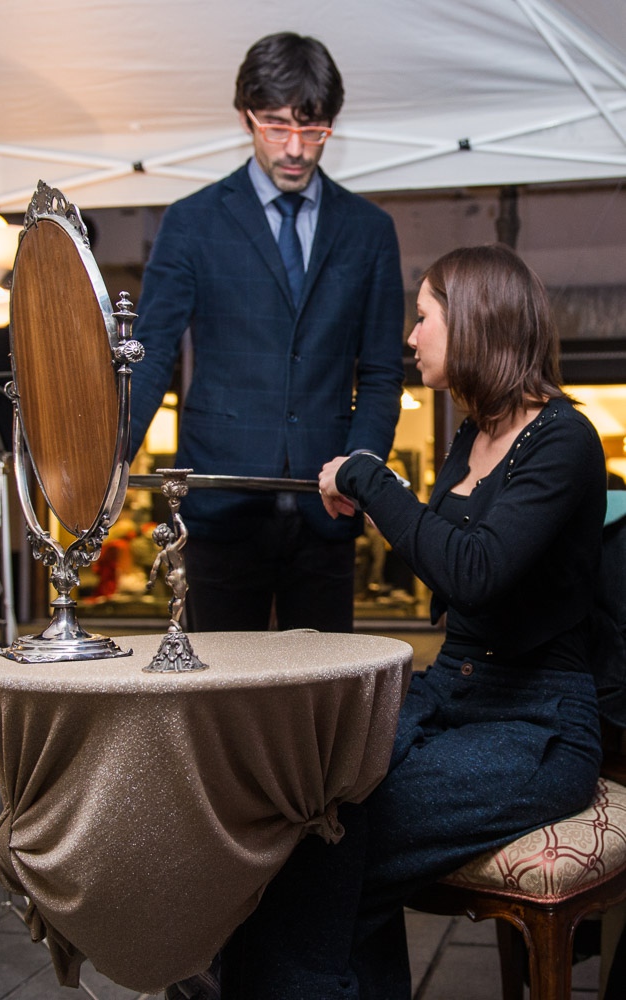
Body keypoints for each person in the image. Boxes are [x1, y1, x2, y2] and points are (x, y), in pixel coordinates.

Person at [212, 243, 608, 999]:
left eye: (423, 317)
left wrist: (370, 476)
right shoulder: (472, 435)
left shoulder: (564, 439)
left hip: (537, 723)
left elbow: (474, 571)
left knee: (328, 840)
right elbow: (449, 555)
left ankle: (243, 980)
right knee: (302, 792)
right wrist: (388, 508)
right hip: (449, 695)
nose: (410, 336)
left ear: (474, 321)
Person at [129, 31, 405, 634]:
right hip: (220, 504)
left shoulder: (369, 231)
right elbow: (149, 356)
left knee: (324, 686)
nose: (296, 149)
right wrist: (106, 466)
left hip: (327, 506)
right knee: (222, 682)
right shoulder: (192, 222)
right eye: (277, 126)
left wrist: (359, 468)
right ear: (244, 117)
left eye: (314, 130)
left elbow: (383, 374)